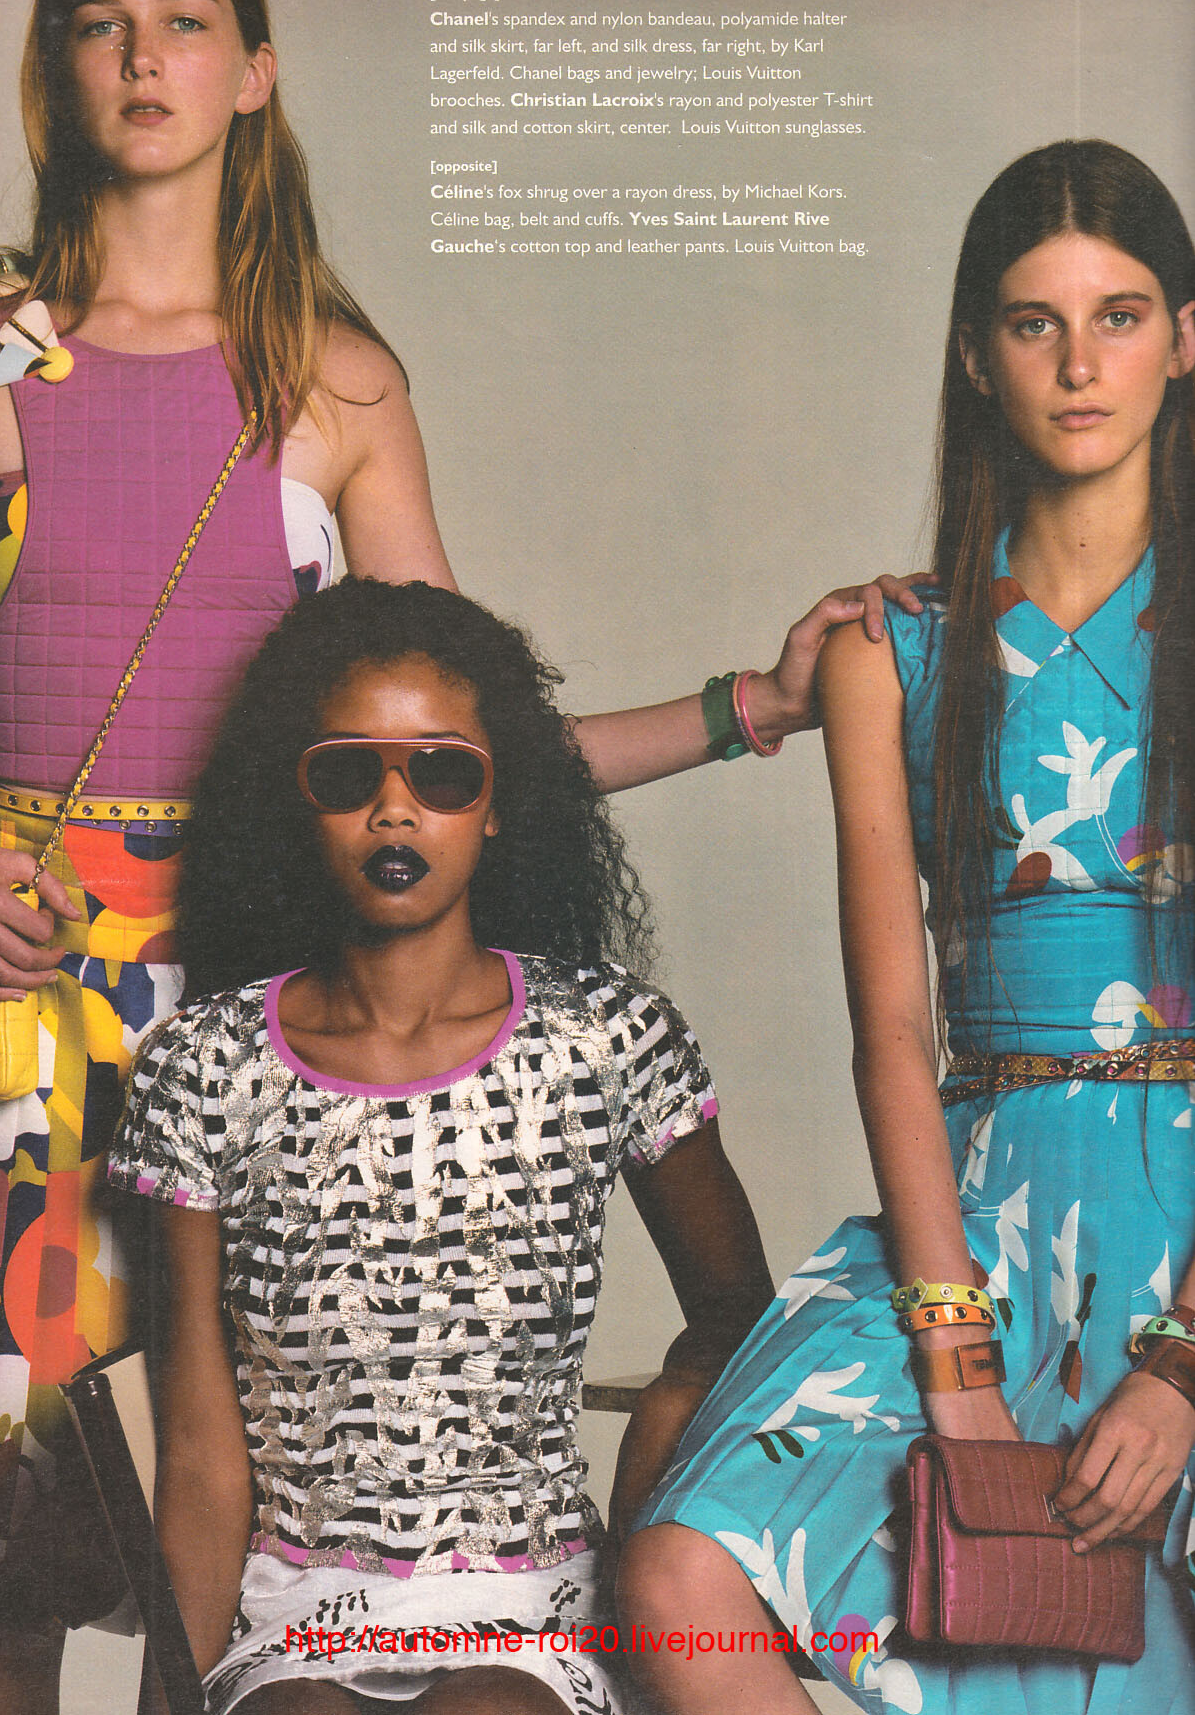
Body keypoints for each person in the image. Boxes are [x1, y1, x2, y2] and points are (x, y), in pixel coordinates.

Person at [0, 0, 925, 1704]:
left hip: (256, 991)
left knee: (230, 1512)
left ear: (255, 72)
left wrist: (745, 707)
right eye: (100, 20)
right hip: (25, 992)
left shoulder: (337, 381)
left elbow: (460, 742)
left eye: (186, 18)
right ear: (53, 60)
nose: (143, 56)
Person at [617, 138, 1195, 1714]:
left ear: (1183, 340)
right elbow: (892, 1030)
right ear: (975, 354)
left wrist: (1179, 1369)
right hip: (975, 1218)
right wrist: (952, 1352)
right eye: (1033, 322)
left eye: (1121, 316)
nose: (1079, 364)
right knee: (678, 1584)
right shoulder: (897, 651)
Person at [108, 574, 773, 1715]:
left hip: (534, 1602)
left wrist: (647, 1531)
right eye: (347, 774)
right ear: (297, 798)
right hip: (293, 1607)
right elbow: (202, 1450)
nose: (395, 810)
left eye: (443, 773)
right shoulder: (203, 1065)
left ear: (497, 801)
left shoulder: (605, 1036)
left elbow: (737, 1327)